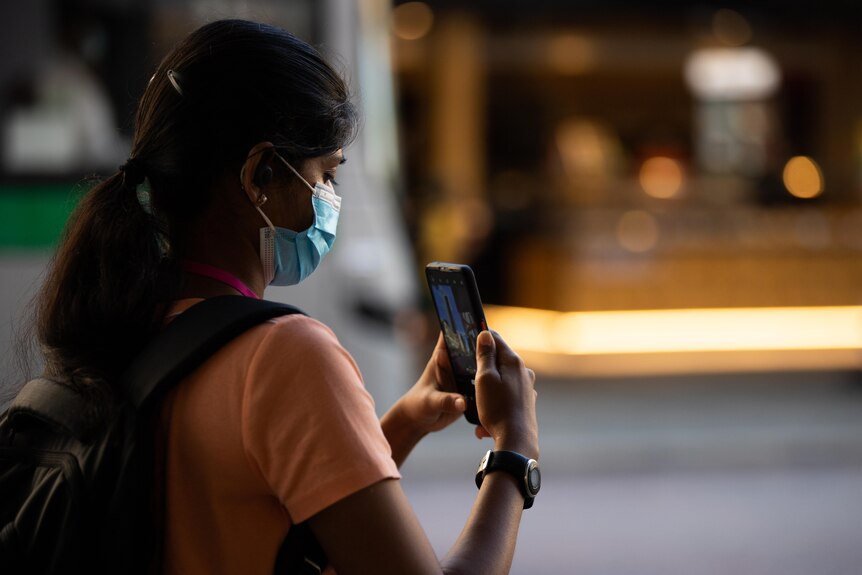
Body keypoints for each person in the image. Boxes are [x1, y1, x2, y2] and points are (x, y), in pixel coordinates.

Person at [33, 19, 539, 574]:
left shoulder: (124, 320)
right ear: (260, 175)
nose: (329, 200)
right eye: (325, 176)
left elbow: (276, 501)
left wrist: (407, 419)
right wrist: (514, 452)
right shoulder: (284, 357)